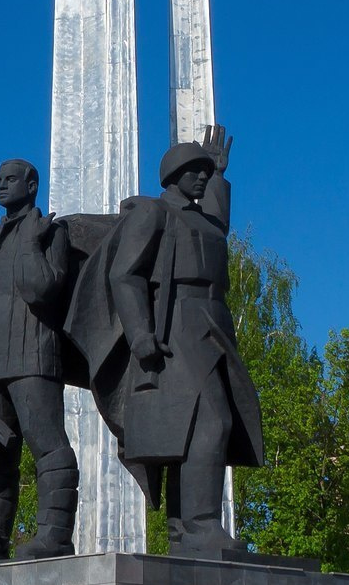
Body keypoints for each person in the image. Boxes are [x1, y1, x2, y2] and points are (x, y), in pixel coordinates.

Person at [77, 124, 263, 556]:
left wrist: (219, 175)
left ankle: (184, 531)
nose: (200, 176)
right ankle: (200, 525)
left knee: (198, 424)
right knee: (212, 420)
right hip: (175, 322)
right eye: (194, 170)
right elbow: (125, 274)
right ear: (172, 175)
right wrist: (139, 332)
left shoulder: (202, 219)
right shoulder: (152, 213)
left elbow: (216, 228)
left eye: (204, 171)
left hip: (212, 320)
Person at [0, 158, 81, 561]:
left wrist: (29, 241)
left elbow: (41, 289)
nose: (2, 186)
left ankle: (55, 535)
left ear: (32, 184)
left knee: (48, 445)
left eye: (10, 180)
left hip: (33, 354)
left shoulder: (50, 233)